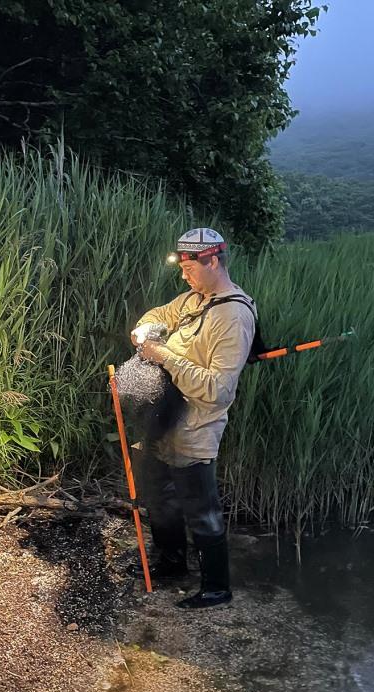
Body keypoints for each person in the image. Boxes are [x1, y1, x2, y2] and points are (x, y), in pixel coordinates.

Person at [129, 228, 257, 609]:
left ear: (213, 261)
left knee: (201, 510)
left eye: (190, 267)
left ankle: (216, 588)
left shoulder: (233, 315)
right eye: (181, 267)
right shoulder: (192, 299)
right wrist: (146, 330)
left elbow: (218, 389)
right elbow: (159, 314)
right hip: (162, 418)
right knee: (158, 497)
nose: (184, 275)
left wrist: (164, 356)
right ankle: (171, 564)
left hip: (197, 427)